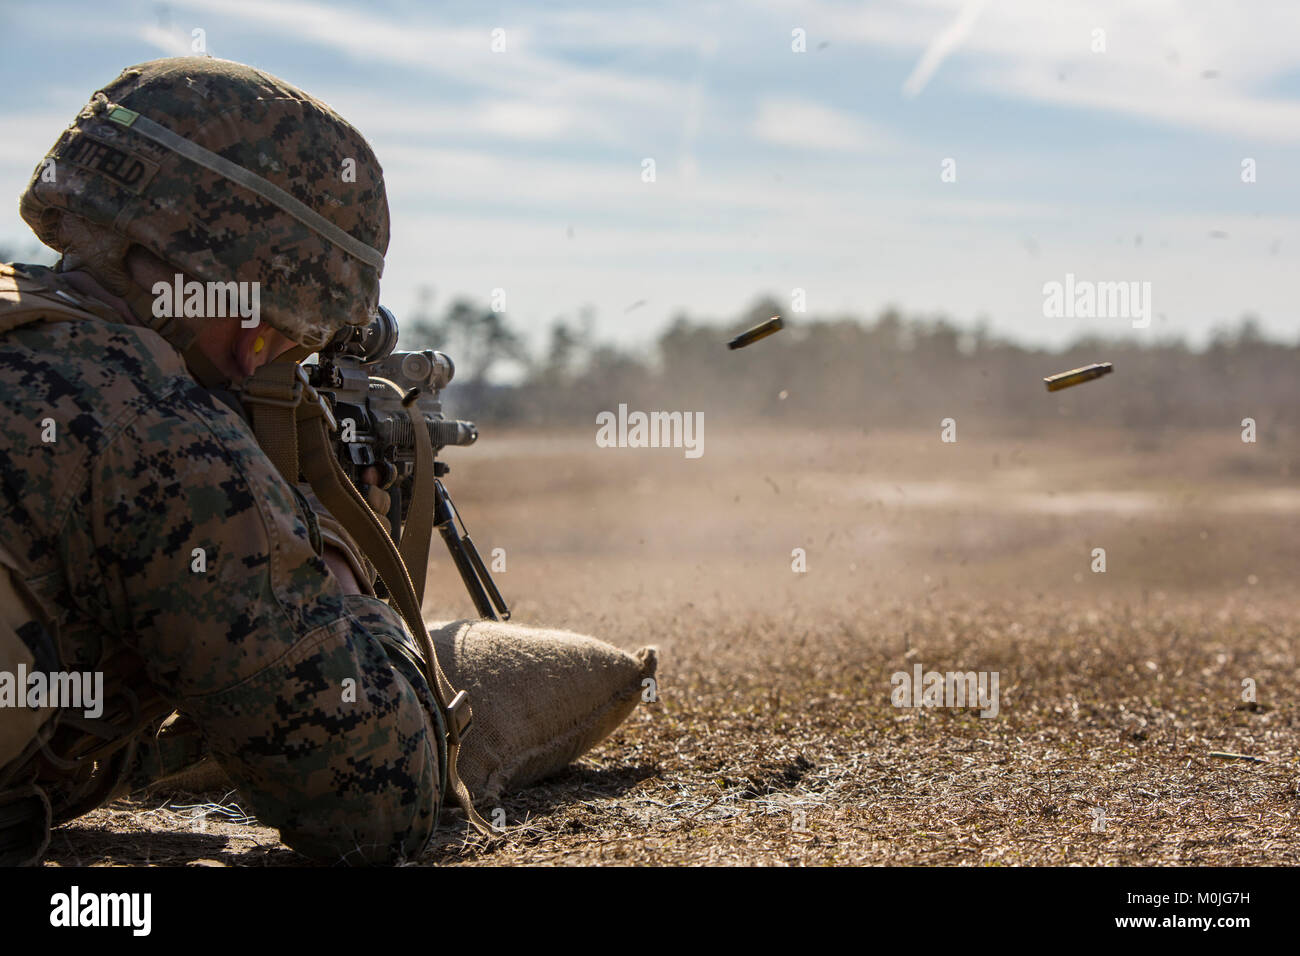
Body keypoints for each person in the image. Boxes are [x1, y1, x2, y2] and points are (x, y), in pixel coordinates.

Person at [0, 56, 451, 865]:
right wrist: (337, 570)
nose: (258, 355)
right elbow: (379, 800)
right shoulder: (155, 425)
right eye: (276, 329)